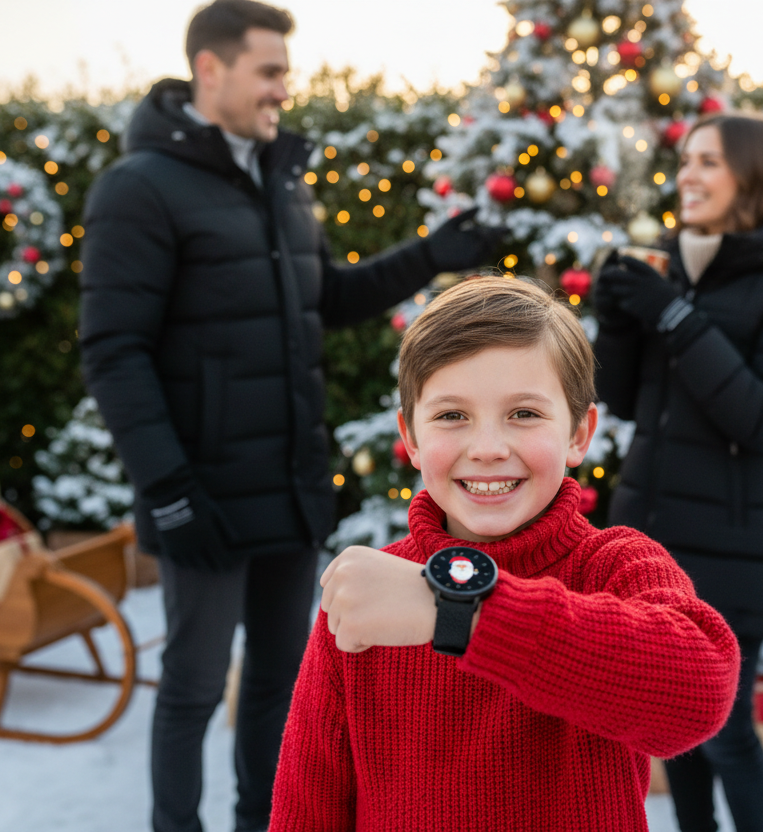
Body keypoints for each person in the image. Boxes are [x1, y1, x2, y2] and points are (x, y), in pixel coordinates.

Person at [78, 2, 505, 830]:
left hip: (290, 490)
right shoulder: (138, 189)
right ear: (212, 69)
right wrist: (168, 491)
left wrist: (431, 255)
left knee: (280, 684)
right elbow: (113, 352)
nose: (285, 87)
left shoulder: (278, 180)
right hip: (200, 494)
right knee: (195, 688)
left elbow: (327, 297)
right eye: (270, 70)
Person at [268, 276, 740, 831]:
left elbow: (699, 692)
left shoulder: (613, 566)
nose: (488, 449)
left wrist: (458, 610)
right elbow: (306, 812)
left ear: (578, 432)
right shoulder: (368, 599)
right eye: (451, 415)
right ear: (411, 438)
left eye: (524, 413)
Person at [594, 111, 763, 832]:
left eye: (708, 162)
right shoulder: (681, 269)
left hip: (732, 546)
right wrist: (617, 318)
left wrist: (672, 316)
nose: (687, 176)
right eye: (685, 161)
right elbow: (622, 398)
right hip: (653, 535)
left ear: (755, 177)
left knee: (727, 730)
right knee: (672, 727)